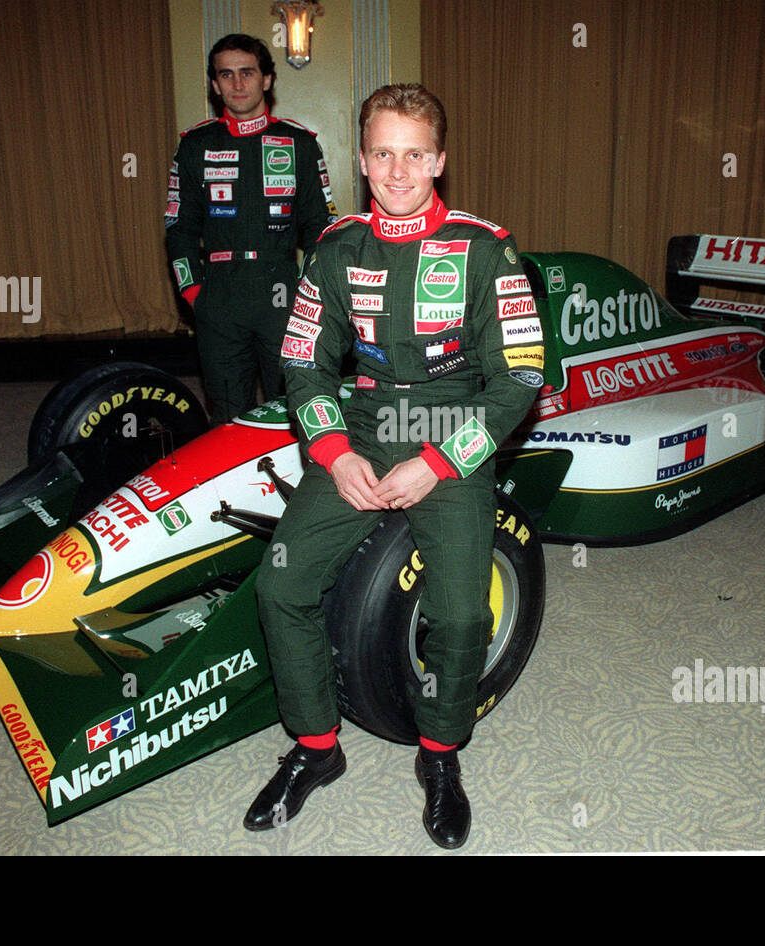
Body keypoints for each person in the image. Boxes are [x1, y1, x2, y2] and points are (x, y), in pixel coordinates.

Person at [249, 84, 545, 848]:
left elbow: (519, 377)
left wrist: (440, 464)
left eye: (415, 154)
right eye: (383, 152)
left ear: (440, 160)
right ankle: (316, 750)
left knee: (458, 612)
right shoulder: (339, 246)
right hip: (366, 424)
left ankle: (441, 759)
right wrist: (332, 450)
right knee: (281, 582)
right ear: (362, 157)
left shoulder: (486, 248)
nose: (398, 170)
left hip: (453, 425)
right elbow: (304, 362)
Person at [165, 34, 339, 426]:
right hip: (219, 294)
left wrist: (312, 295)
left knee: (294, 409)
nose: (238, 84)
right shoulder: (195, 145)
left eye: (247, 73)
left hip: (281, 293)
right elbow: (179, 226)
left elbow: (320, 228)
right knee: (228, 415)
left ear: (267, 80)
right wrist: (193, 292)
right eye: (226, 75)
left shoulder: (299, 144)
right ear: (215, 84)